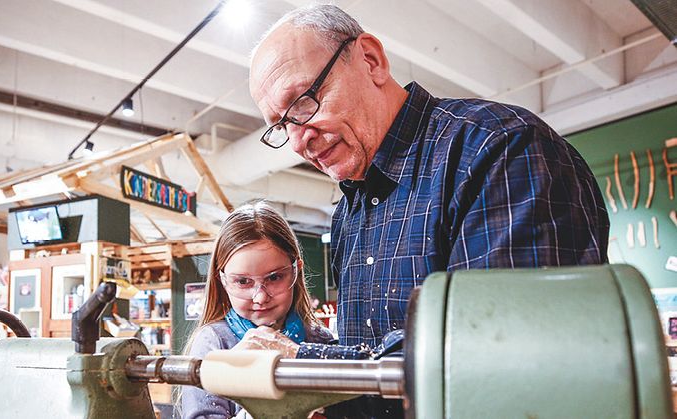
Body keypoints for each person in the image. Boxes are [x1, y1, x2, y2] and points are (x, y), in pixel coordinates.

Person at [243, 3, 610, 417]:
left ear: (371, 60)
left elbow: (499, 349)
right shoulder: (349, 213)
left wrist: (301, 364)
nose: (296, 142)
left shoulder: (497, 150)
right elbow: (372, 353)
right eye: (280, 125)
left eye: (305, 101)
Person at [179, 201, 333, 419]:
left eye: (274, 277)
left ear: (296, 270)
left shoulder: (319, 339)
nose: (260, 297)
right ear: (222, 280)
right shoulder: (214, 344)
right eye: (243, 281)